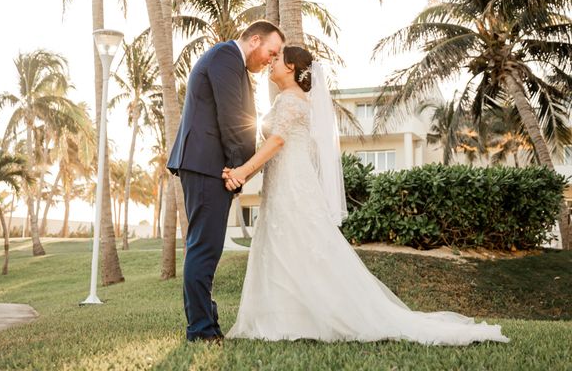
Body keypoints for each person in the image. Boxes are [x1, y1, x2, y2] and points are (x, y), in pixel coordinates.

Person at [224, 46, 510, 345]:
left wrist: (242, 171)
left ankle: (294, 319)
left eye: (277, 60)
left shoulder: (289, 100)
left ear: (292, 67)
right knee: (292, 244)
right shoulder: (298, 101)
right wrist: (245, 171)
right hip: (288, 179)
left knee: (293, 243)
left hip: (291, 182)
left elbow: (278, 141)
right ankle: (292, 317)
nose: (271, 63)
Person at [167, 20, 285, 343]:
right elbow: (232, 118)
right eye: (270, 52)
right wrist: (239, 169)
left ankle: (207, 320)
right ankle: (201, 330)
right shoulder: (225, 57)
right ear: (254, 40)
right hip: (208, 167)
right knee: (203, 249)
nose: (270, 61)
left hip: (208, 166)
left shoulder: (231, 63)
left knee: (206, 247)